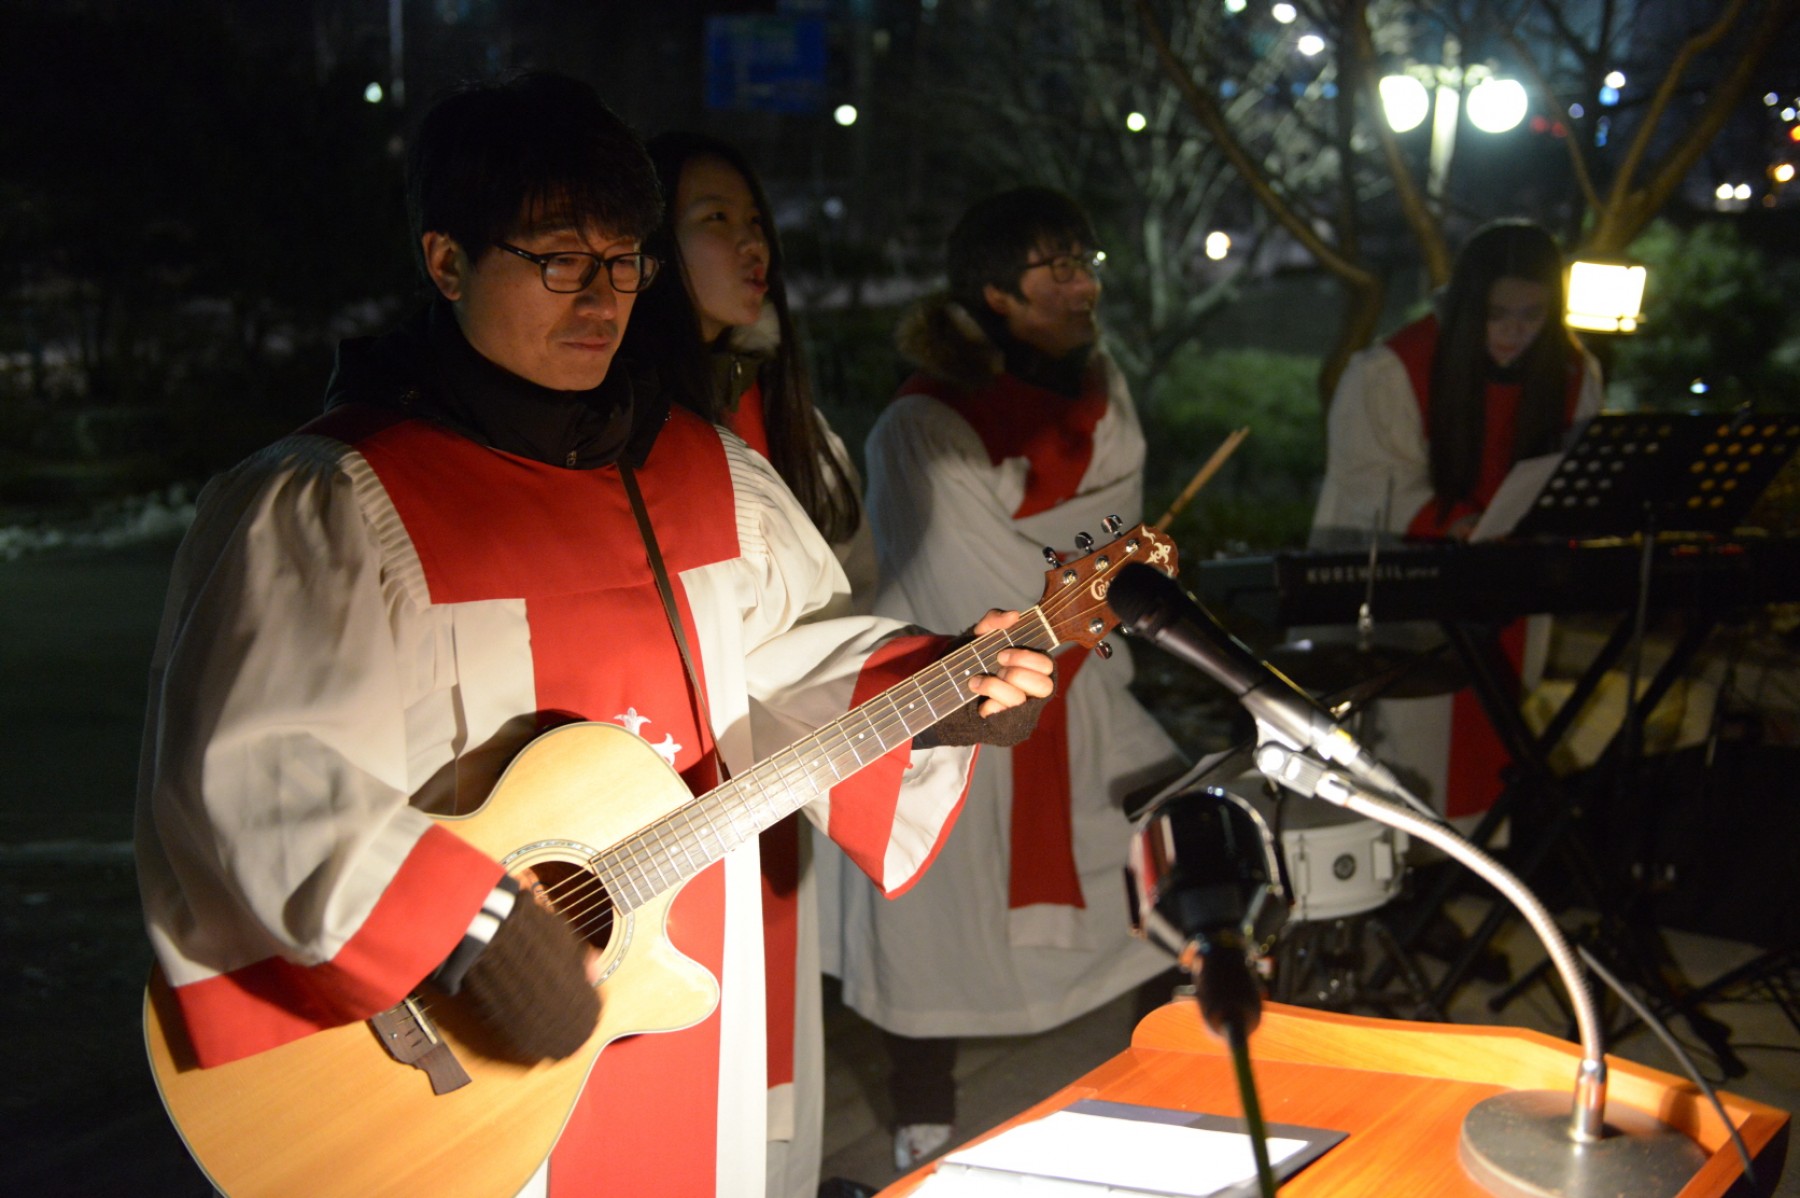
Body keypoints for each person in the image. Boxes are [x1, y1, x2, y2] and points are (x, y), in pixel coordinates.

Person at [134, 71, 1053, 1198]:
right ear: (445, 261)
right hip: (448, 1057)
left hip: (678, 1005)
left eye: (625, 260)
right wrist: (465, 928)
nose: (603, 298)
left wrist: (935, 685)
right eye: (560, 259)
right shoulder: (331, 504)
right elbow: (254, 782)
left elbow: (785, 662)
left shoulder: (714, 476)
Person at [829, 186, 1185, 1171]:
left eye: (1085, 261)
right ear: (994, 294)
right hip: (961, 689)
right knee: (937, 902)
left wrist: (1093, 572)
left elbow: (1122, 520)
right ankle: (922, 1116)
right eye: (1055, 268)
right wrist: (1089, 577)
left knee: (1157, 850)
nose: (1082, 285)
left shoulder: (1098, 384)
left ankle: (1166, 1074)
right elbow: (963, 577)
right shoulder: (920, 423)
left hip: (1082, 679)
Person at [617, 130, 877, 1198]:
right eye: (711, 220)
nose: (749, 242)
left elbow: (841, 606)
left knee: (769, 1064)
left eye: (754, 219)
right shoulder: (620, 432)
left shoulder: (794, 429)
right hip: (653, 796)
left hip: (774, 784)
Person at [1310, 218, 1604, 829]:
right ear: (1471, 305)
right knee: (1411, 744)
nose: (1515, 331)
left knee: (1490, 743)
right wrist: (1453, 521)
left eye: (1533, 314)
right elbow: (1370, 477)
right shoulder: (1394, 370)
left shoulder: (1574, 373)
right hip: (1412, 590)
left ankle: (1471, 872)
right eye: (1499, 313)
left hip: (1511, 592)